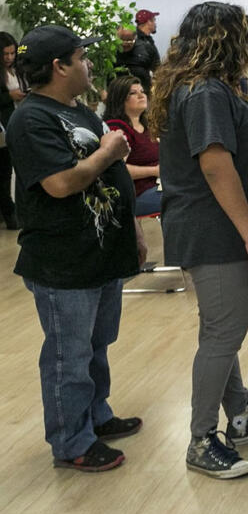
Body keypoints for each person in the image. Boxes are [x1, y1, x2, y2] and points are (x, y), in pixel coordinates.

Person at [150, 2, 248, 479]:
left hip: (217, 226)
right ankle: (200, 439)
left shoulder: (212, 88)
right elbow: (214, 165)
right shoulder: (204, 93)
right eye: (247, 36)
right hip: (212, 229)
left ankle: (240, 416)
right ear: (225, 39)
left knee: (222, 326)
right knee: (223, 333)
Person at [8, 25, 145, 472]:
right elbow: (62, 183)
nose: (89, 64)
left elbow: (115, 179)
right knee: (70, 354)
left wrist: (134, 233)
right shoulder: (31, 120)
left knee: (97, 344)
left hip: (101, 252)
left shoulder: (80, 110)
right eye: (81, 56)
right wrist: (107, 152)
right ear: (59, 66)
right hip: (63, 261)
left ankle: (96, 416)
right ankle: (71, 442)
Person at [102, 76, 161, 217]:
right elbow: (118, 169)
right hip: (137, 195)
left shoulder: (145, 126)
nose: (142, 95)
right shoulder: (117, 127)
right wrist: (154, 171)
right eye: (133, 93)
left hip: (157, 186)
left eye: (142, 91)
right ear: (120, 99)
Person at [1, 31, 24, 228]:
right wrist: (10, 96)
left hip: (19, 123)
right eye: (5, 54)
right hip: (5, 127)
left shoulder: (18, 70)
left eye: (12, 53)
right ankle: (9, 214)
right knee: (4, 173)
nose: (9, 58)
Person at [115, 27, 157, 94]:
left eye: (129, 40)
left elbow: (158, 71)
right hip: (117, 96)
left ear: (135, 37)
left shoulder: (147, 48)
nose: (125, 43)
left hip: (142, 95)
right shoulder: (110, 51)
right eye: (122, 40)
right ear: (116, 37)